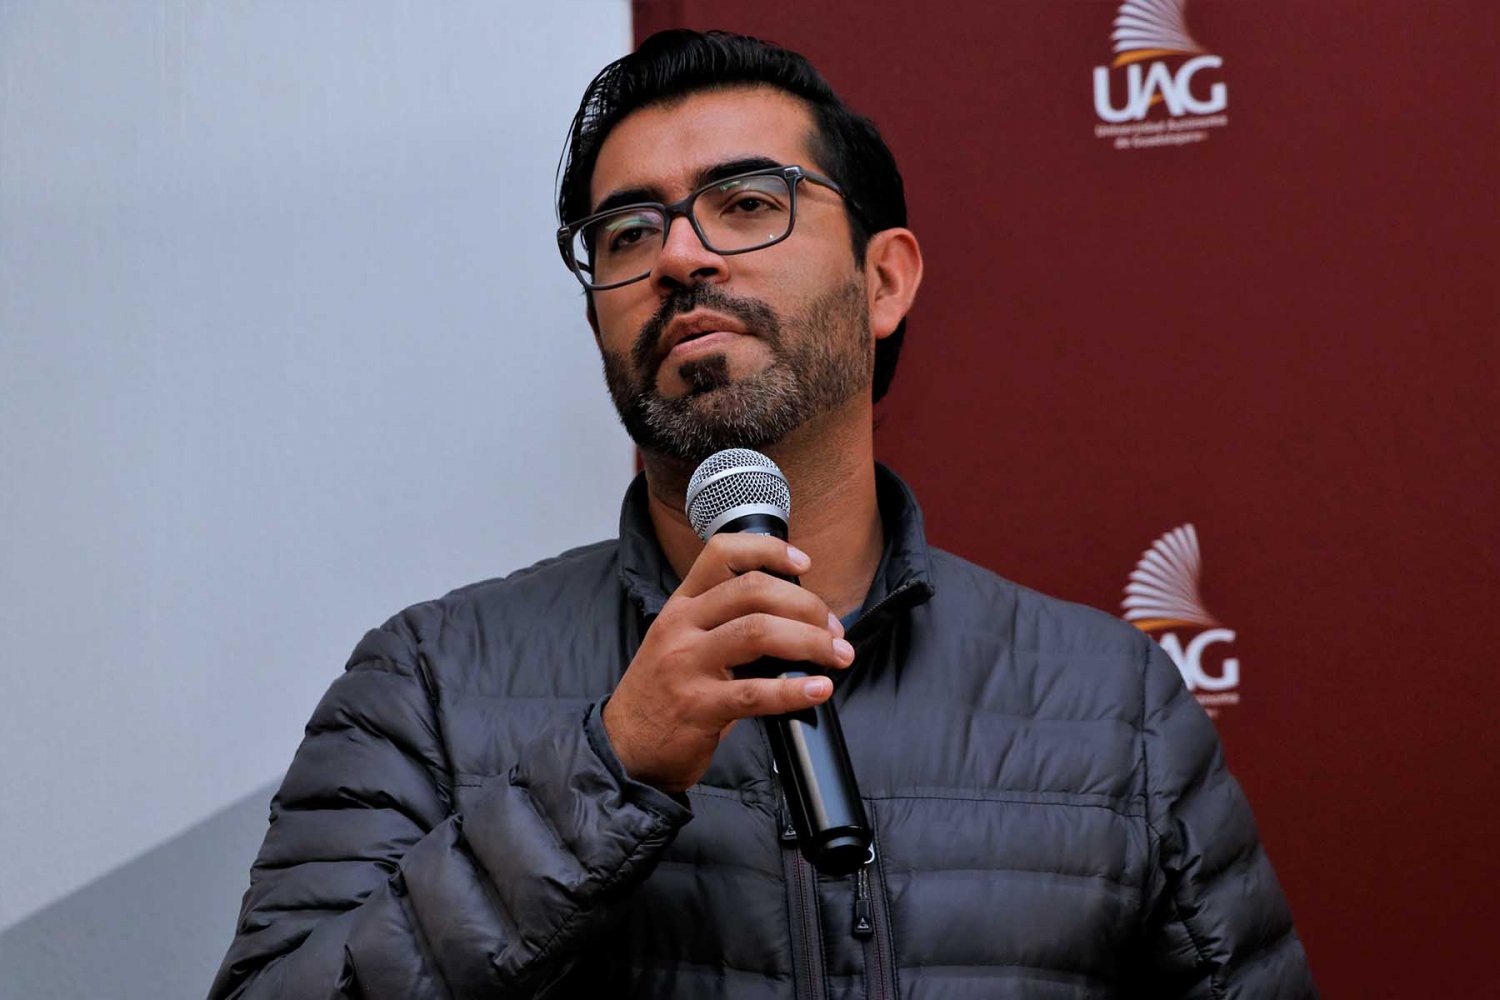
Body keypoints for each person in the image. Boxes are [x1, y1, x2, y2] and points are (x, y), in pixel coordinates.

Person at [210, 29, 1316, 1000]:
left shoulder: (1111, 706)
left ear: (885, 282)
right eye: (628, 232)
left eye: (745, 203)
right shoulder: (429, 684)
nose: (679, 255)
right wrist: (613, 765)